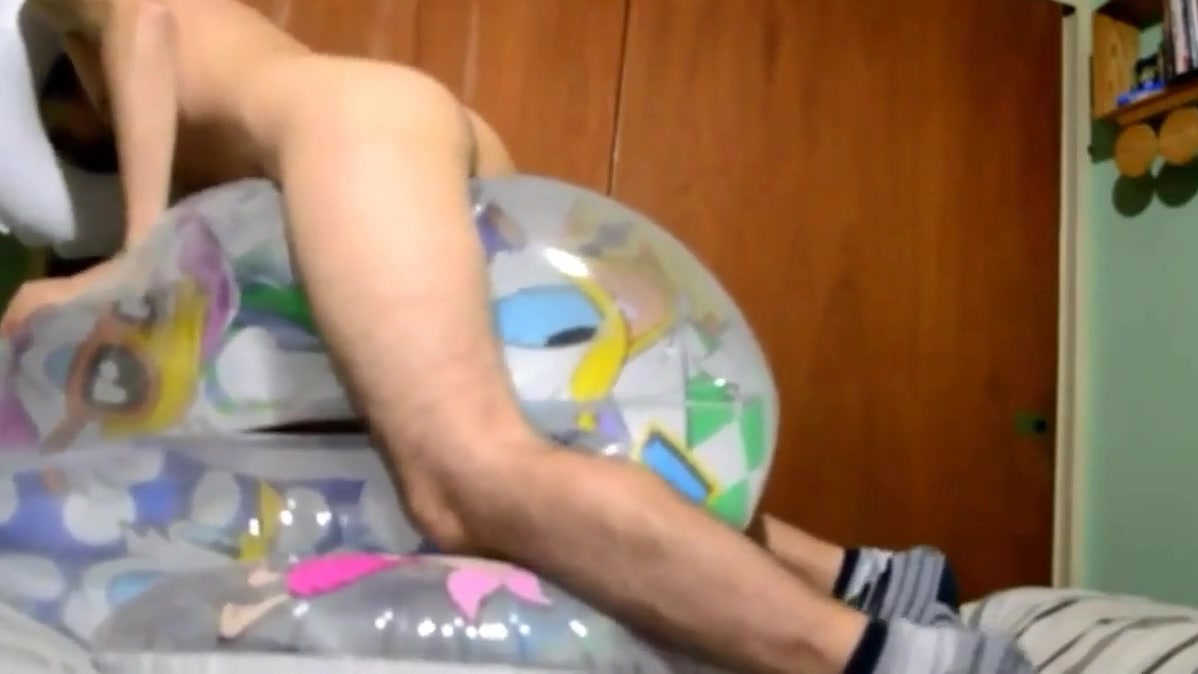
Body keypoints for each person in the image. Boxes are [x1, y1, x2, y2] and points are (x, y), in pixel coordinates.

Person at [1, 2, 1033, 671]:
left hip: (345, 136)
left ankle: (870, 657)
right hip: (367, 143)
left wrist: (138, 255)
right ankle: (866, 579)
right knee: (553, 445)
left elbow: (140, 16)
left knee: (466, 475)